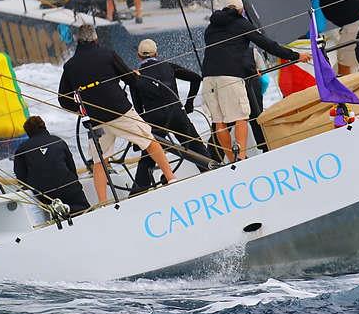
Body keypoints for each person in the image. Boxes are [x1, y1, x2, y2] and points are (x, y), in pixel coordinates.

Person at [58, 24, 175, 203]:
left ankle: (103, 203)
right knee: (149, 141)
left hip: (95, 120)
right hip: (120, 111)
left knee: (100, 161)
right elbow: (130, 79)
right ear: (96, 39)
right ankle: (171, 178)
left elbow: (63, 99)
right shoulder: (108, 54)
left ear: (78, 41)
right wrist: (136, 77)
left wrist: (81, 110)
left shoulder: (70, 66)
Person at [203, 0, 310, 162]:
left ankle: (231, 160)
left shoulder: (211, 27)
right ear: (240, 11)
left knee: (219, 122)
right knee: (241, 116)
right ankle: (241, 158)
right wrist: (295, 56)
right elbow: (266, 44)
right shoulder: (241, 23)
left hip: (208, 77)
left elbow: (224, 51)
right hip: (230, 78)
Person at [129, 38, 211, 194]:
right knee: (196, 146)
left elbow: (139, 108)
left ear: (139, 56)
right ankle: (212, 172)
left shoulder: (137, 76)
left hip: (154, 118)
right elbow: (196, 78)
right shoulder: (167, 66)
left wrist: (141, 130)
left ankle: (138, 191)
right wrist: (189, 103)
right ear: (156, 53)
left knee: (149, 153)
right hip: (176, 113)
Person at [13, 115, 90, 215]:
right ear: (44, 126)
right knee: (85, 208)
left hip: (44, 193)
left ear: (28, 132)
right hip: (68, 186)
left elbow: (21, 177)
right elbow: (71, 168)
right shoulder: (59, 141)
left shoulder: (21, 149)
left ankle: (60, 210)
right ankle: (68, 208)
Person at [305, 0, 359, 75]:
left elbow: (319, 26)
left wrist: (307, 36)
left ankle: (347, 89)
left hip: (354, 26)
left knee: (343, 62)